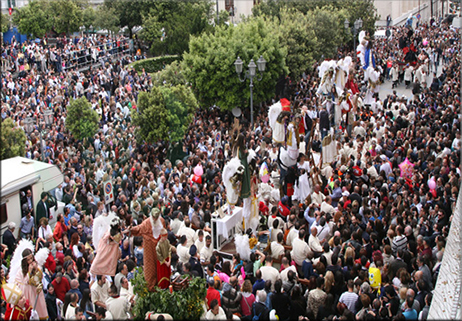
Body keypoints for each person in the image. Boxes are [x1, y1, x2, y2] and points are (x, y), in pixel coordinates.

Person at [129, 207, 166, 291]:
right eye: (154, 218)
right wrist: (131, 229)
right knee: (150, 268)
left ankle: (162, 285)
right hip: (150, 249)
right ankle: (151, 288)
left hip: (160, 248)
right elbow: (138, 228)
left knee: (161, 267)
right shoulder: (146, 223)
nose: (155, 219)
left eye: (156, 218)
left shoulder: (162, 221)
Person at [15, 248, 48, 319]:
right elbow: (25, 282)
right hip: (28, 293)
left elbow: (39, 278)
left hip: (36, 292)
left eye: (31, 258)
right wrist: (29, 272)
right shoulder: (20, 271)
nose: (30, 261)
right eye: (28, 260)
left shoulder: (36, 266)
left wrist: (36, 269)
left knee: (39, 311)